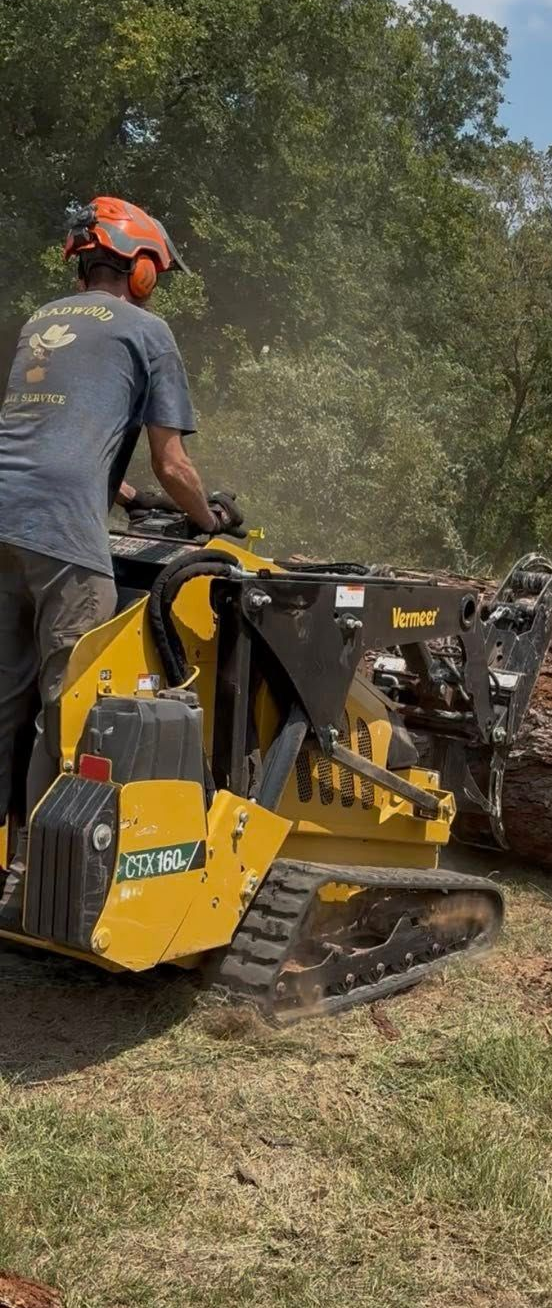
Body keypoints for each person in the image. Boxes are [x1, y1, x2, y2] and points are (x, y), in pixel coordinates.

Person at [0, 196, 239, 925]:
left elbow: (51, 436)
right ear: (138, 268)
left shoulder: (45, 319)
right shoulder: (148, 330)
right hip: (67, 538)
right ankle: (48, 882)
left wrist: (126, 496)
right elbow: (174, 463)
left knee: (1, 704)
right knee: (70, 708)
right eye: (155, 269)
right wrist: (212, 523)